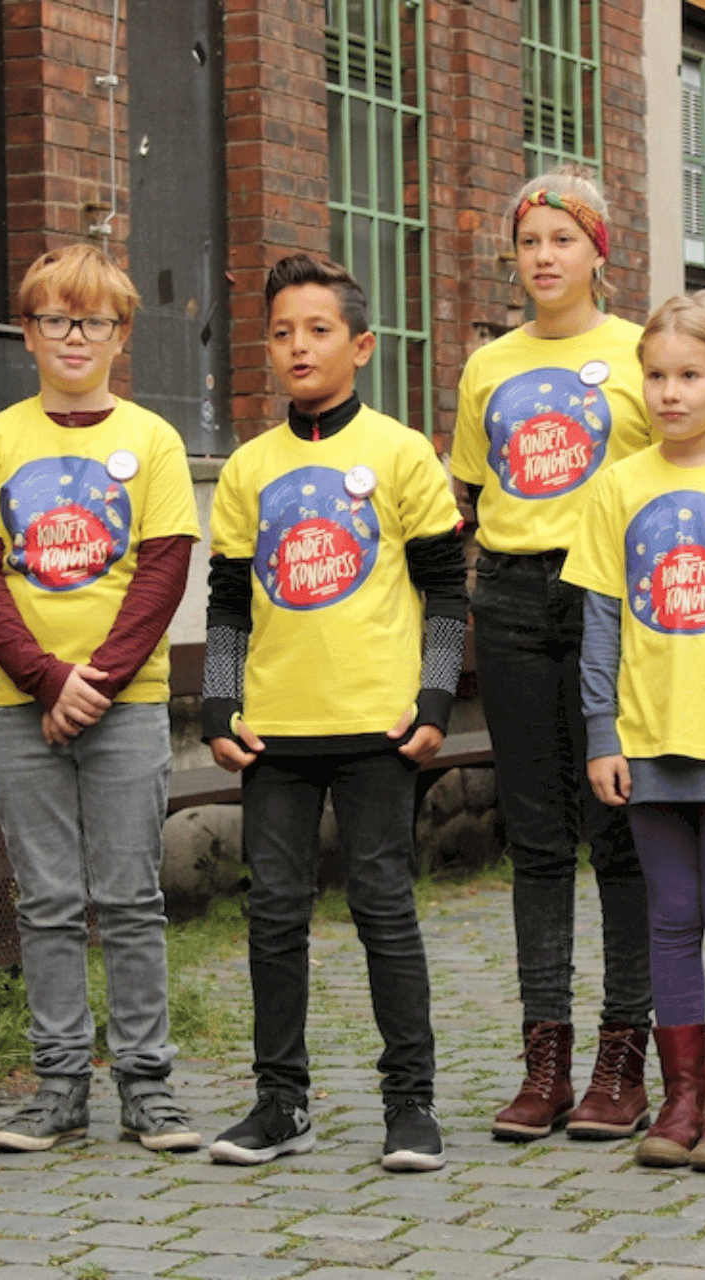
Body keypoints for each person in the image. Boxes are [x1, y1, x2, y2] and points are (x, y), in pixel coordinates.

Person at [201, 252, 466, 1173]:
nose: (297, 347)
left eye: (317, 330)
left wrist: (434, 698)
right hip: (275, 732)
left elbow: (445, 595)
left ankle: (412, 1104)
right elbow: (228, 602)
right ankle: (280, 1102)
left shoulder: (400, 454)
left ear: (361, 345)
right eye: (281, 333)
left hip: (377, 731)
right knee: (272, 912)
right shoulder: (247, 469)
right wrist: (218, 704)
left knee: (384, 907)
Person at [0, 243, 202, 1154]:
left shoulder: (155, 440)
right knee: (45, 899)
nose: (74, 336)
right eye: (55, 318)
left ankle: (147, 1088)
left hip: (126, 704)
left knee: (130, 897)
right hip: (19, 704)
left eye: (92, 320)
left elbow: (164, 570)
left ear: (120, 332)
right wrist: (49, 680)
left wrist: (95, 684)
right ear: (28, 332)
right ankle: (57, 1088)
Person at [562, 291, 705, 1173]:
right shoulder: (616, 487)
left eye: (690, 375)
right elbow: (600, 626)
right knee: (668, 920)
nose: (670, 393)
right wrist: (601, 733)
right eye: (656, 375)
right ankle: (682, 1099)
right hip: (646, 737)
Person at [451, 168, 656, 1143]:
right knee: (535, 838)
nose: (544, 256)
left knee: (617, 830)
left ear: (596, 253)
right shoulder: (488, 365)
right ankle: (546, 1062)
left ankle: (625, 1060)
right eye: (530, 239)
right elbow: (465, 493)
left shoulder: (638, 354)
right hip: (516, 597)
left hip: (614, 601)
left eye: (562, 240)